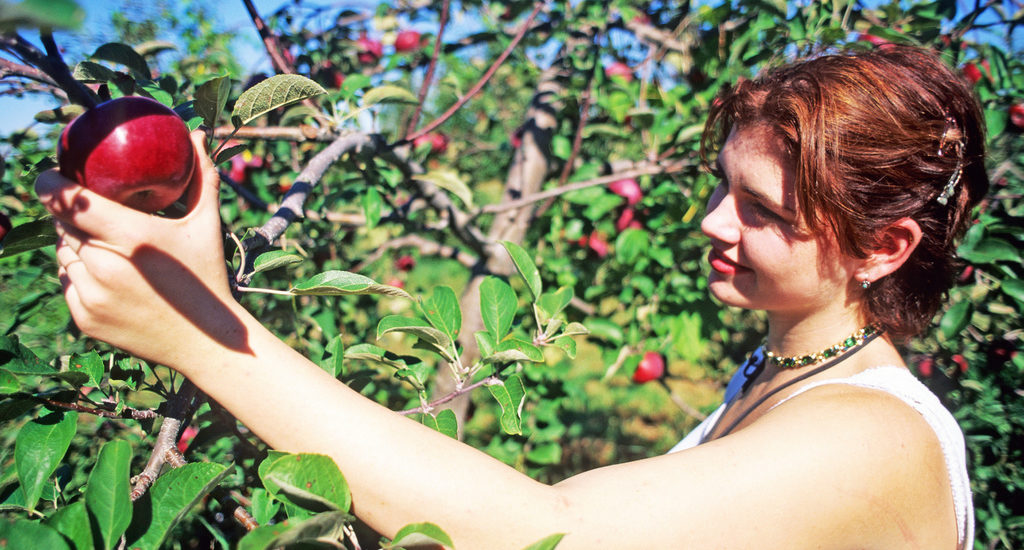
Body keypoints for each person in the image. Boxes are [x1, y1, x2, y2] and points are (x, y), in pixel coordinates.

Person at [36, 44, 985, 549]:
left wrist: (206, 335)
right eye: (721, 187)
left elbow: (550, 539)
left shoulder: (874, 436)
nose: (710, 224)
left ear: (884, 247)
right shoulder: (787, 366)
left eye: (761, 211)